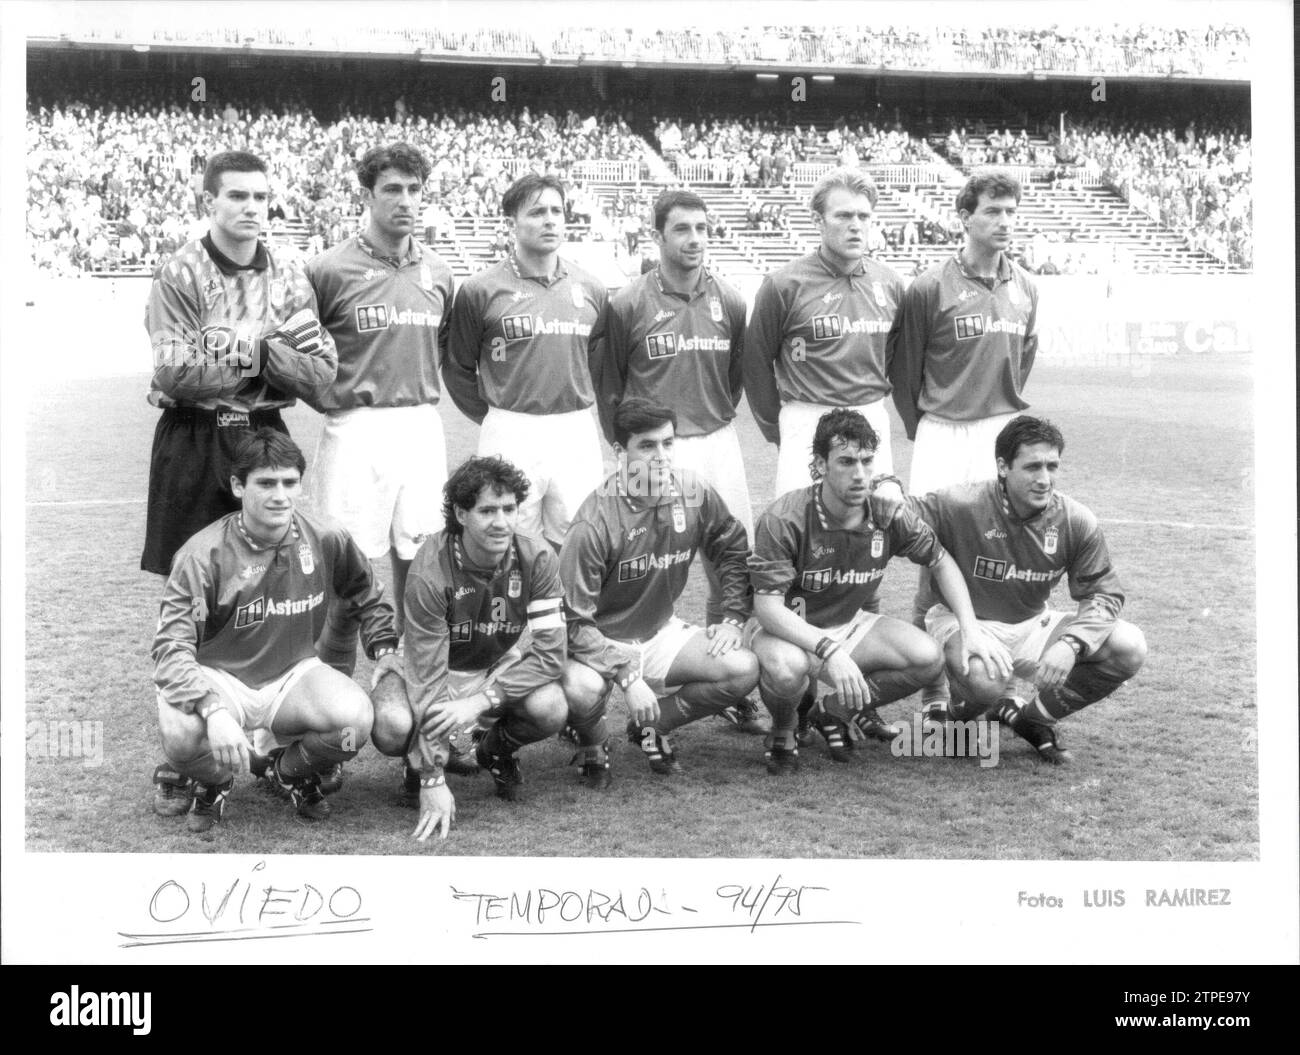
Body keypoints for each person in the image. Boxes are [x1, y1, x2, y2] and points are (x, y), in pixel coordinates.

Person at [143, 150, 336, 819]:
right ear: (210, 201)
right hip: (195, 439)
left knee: (274, 582)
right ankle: (187, 755)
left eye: (260, 197)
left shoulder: (288, 271)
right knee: (193, 589)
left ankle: (272, 729)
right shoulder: (179, 271)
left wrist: (246, 347)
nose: (252, 208)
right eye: (237, 196)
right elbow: (175, 373)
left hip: (262, 434)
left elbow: (320, 378)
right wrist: (270, 354)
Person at [151, 429, 400, 833]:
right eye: (266, 483)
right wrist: (211, 708)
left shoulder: (325, 537)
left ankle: (286, 772)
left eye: (289, 482)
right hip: (220, 678)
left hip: (292, 675)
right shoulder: (201, 555)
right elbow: (171, 648)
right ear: (237, 485)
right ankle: (215, 782)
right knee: (182, 734)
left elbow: (365, 592)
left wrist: (385, 648)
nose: (280, 495)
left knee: (355, 726)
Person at [747, 409, 1008, 772]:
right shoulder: (784, 518)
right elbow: (768, 609)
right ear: (820, 465)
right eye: (846, 461)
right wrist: (829, 650)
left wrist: (971, 629)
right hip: (786, 628)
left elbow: (942, 561)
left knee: (927, 657)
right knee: (788, 670)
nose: (859, 474)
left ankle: (832, 712)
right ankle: (785, 728)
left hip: (847, 624)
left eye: (867, 461)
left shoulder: (887, 513)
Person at [594, 189, 765, 734]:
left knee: (730, 564)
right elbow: (611, 387)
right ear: (658, 236)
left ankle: (728, 673)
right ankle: (597, 694)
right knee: (628, 563)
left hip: (717, 439)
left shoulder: (732, 301)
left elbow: (737, 376)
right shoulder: (627, 303)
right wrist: (634, 449)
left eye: (703, 229)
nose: (695, 240)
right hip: (656, 446)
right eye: (682, 229)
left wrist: (710, 416)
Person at [887, 168, 1040, 721]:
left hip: (998, 431)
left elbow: (1025, 356)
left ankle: (1001, 669)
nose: (1004, 222)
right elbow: (905, 370)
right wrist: (927, 425)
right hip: (943, 430)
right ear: (966, 216)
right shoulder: (930, 287)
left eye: (1010, 211)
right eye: (993, 211)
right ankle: (932, 692)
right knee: (935, 554)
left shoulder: (1026, 286)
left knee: (1001, 548)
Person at [909, 416, 1147, 764]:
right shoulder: (960, 504)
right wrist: (885, 485)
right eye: (1033, 466)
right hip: (964, 625)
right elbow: (897, 516)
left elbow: (1103, 593)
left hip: (1031, 624)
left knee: (1129, 646)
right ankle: (954, 717)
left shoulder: (1075, 520)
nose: (1044, 479)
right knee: (987, 681)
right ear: (1003, 467)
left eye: (1053, 466)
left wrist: (1072, 642)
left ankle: (1033, 718)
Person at [303, 143, 456, 677]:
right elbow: (296, 354)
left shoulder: (438, 271)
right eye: (392, 189)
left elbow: (442, 354)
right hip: (356, 430)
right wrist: (328, 398)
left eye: (415, 190)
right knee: (347, 576)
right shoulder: (328, 269)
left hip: (419, 427)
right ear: (366, 195)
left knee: (423, 571)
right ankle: (333, 710)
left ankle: (422, 711)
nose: (406, 201)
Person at [401, 457, 604, 839]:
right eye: (487, 511)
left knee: (551, 707)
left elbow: (549, 655)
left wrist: (481, 701)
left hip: (494, 667)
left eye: (509, 509)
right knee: (392, 723)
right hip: (438, 670)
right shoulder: (430, 572)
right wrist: (433, 778)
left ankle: (492, 750)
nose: (501, 522)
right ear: (461, 513)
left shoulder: (537, 557)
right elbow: (426, 680)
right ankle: (414, 763)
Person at [561, 399, 759, 775]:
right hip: (600, 644)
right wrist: (626, 673)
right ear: (620, 452)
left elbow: (733, 548)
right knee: (581, 690)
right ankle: (592, 738)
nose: (661, 456)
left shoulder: (692, 490)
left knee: (743, 668)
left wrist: (733, 617)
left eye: (668, 443)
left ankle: (652, 725)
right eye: (647, 446)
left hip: (657, 634)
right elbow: (573, 623)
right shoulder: (594, 522)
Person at [443, 173, 608, 549]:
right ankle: (516, 609)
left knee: (580, 536)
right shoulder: (480, 289)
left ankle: (568, 609)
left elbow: (597, 358)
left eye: (557, 210)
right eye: (537, 212)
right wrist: (493, 415)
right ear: (511, 223)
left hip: (575, 428)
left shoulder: (592, 287)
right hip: (510, 427)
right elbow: (457, 368)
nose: (550, 220)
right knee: (509, 537)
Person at [743, 168, 906, 500]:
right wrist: (780, 430)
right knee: (802, 532)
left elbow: (895, 357)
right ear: (818, 220)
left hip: (871, 416)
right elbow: (756, 364)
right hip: (807, 419)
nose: (855, 224)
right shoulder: (784, 284)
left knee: (871, 532)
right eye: (843, 215)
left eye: (864, 215)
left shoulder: (889, 283)